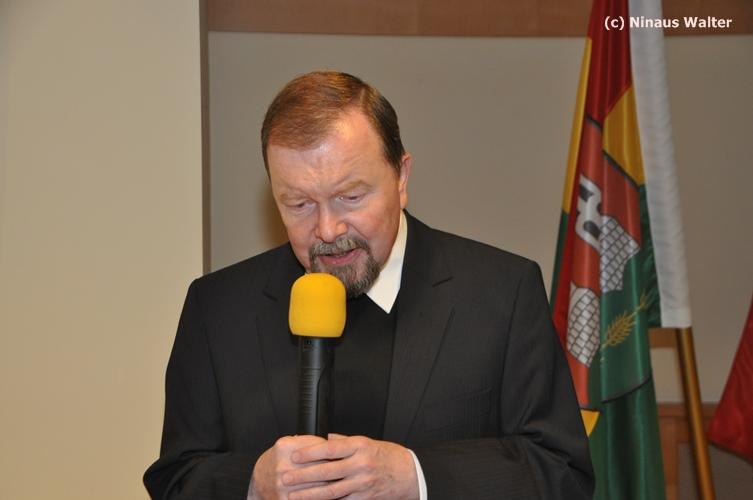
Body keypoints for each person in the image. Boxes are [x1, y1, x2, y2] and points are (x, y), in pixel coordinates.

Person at [144, 71, 593, 500]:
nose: (327, 229)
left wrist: (415, 477)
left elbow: (562, 474)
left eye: (351, 197)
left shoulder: (502, 294)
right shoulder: (217, 309)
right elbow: (176, 479)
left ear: (401, 177)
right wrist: (253, 485)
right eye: (299, 204)